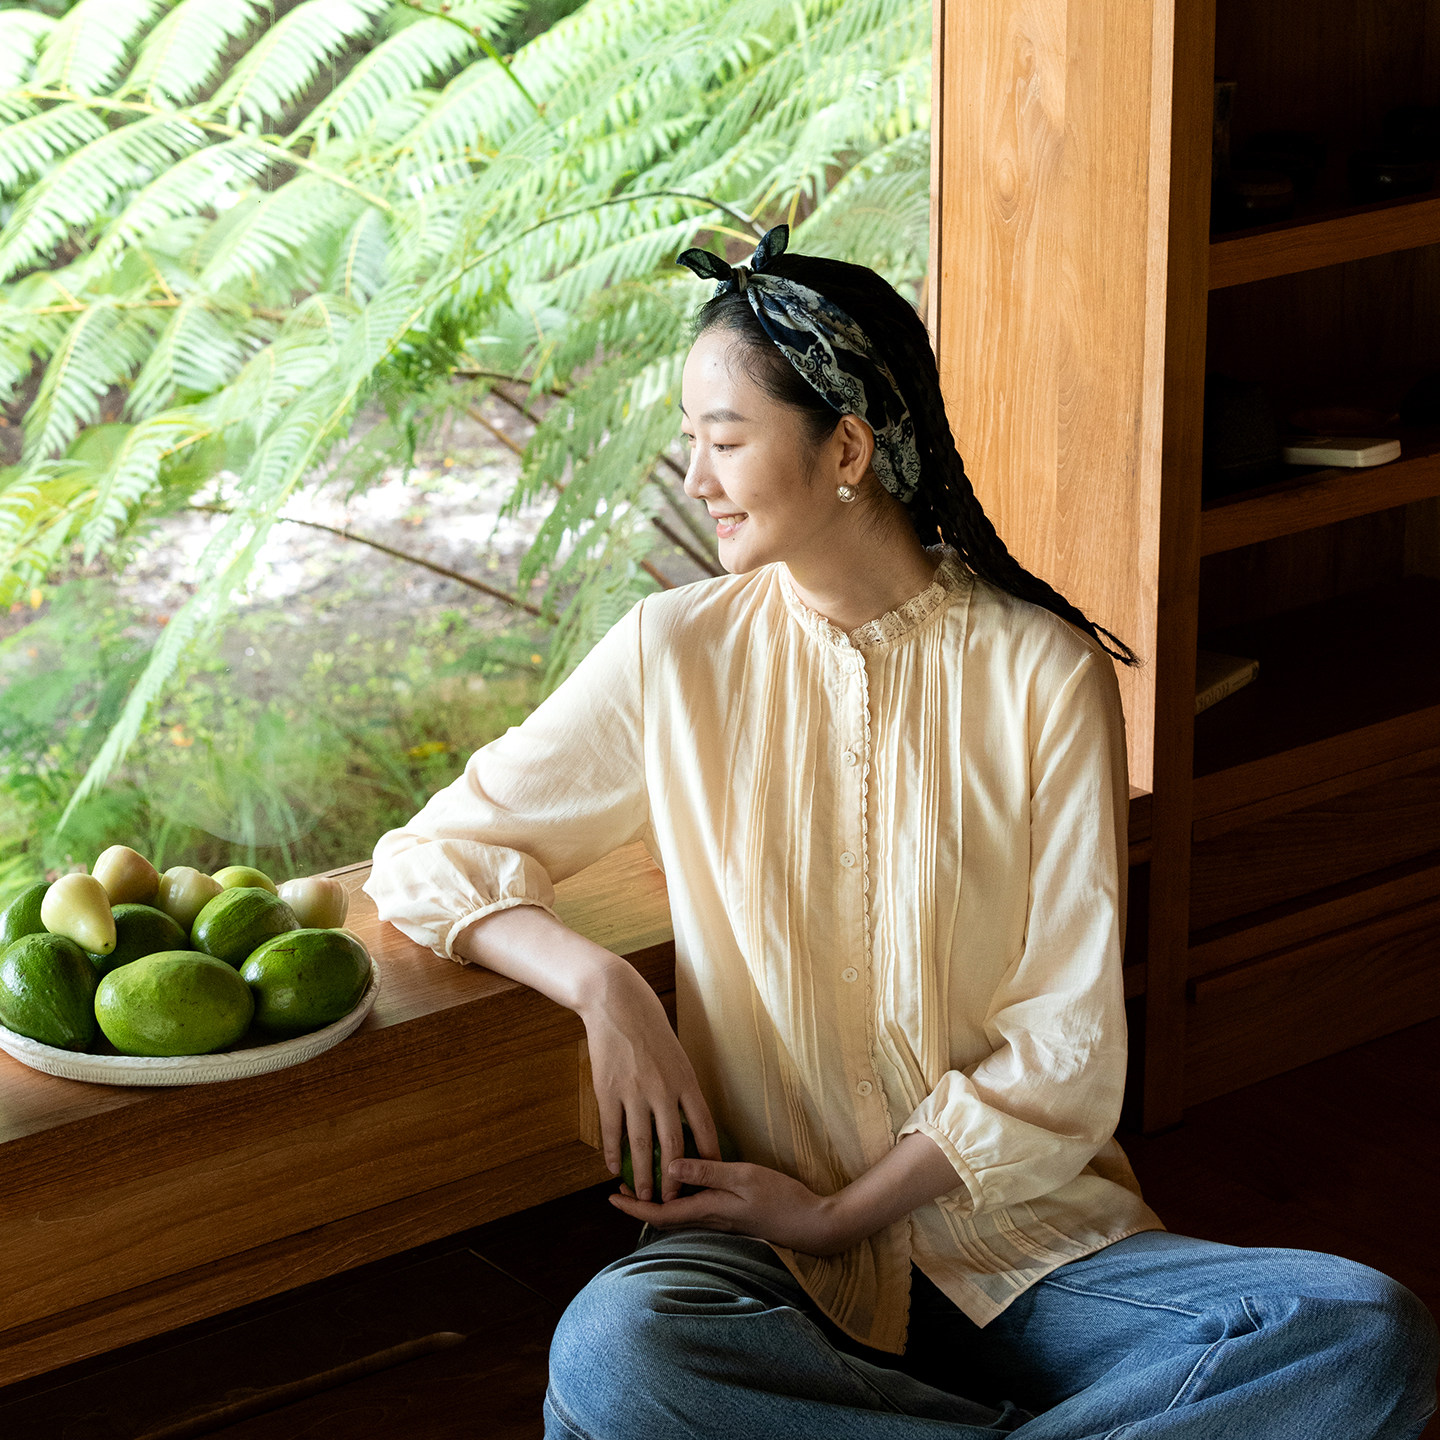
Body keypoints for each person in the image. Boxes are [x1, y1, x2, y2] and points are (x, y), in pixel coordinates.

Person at [363, 226, 1439, 1439]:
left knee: (1354, 1335)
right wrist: (608, 989)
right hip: (764, 1264)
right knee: (620, 1356)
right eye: (691, 441)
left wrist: (841, 1211)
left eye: (724, 440)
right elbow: (429, 856)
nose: (694, 476)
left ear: (850, 449)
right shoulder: (677, 652)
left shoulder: (1044, 674)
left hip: (1023, 1250)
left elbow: (1066, 1044)